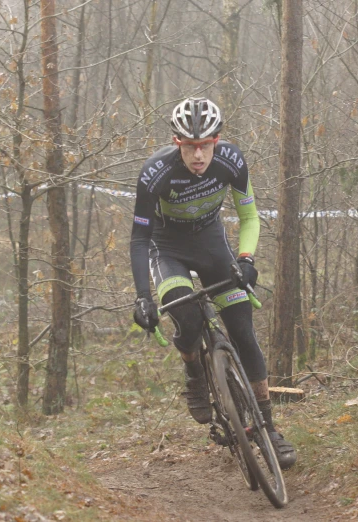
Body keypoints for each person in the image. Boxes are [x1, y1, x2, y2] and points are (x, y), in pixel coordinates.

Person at [129, 97, 296, 470]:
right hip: (166, 248)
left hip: (211, 246)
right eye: (190, 147)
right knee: (186, 318)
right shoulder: (154, 173)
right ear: (178, 144)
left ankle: (268, 428)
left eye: (205, 145)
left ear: (217, 141)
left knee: (242, 329)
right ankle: (194, 370)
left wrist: (247, 260)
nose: (199, 155)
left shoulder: (231, 161)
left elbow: (249, 216)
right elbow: (139, 240)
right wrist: (143, 297)